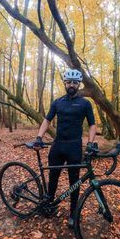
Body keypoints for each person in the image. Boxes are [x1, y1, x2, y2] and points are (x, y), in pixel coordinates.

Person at [34, 68, 97, 228]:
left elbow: (92, 125)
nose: (71, 85)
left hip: (74, 147)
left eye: (75, 82)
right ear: (65, 83)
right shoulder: (58, 102)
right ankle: (49, 205)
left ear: (78, 85)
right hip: (58, 146)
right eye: (69, 82)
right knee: (52, 178)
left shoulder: (85, 103)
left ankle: (73, 213)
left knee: (74, 182)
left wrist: (90, 143)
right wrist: (39, 137)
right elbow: (47, 120)